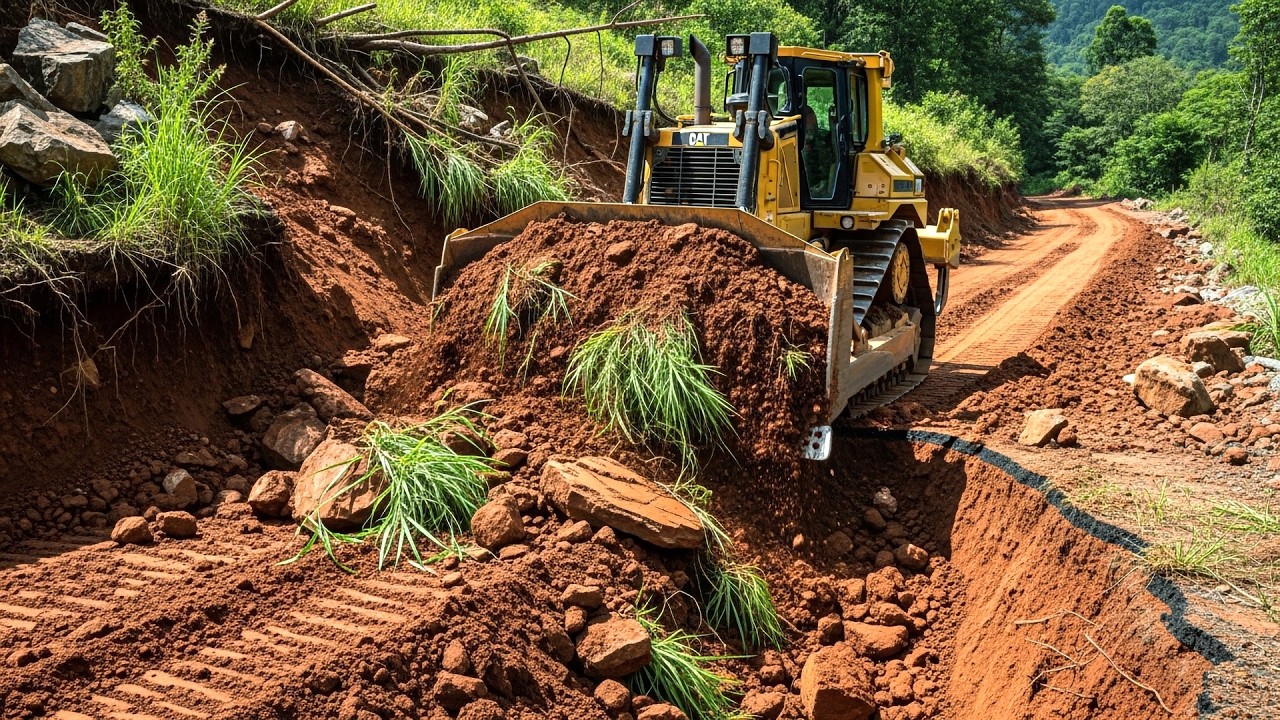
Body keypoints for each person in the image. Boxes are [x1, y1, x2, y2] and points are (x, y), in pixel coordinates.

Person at [801, 105, 835, 198]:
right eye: (807, 119)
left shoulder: (826, 139)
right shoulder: (792, 142)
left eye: (812, 117)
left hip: (824, 187)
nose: (810, 122)